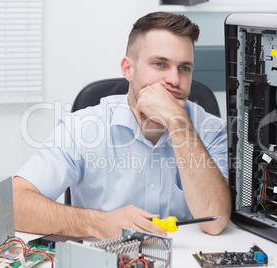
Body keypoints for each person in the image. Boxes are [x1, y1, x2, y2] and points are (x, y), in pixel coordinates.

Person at [12, 11, 231, 240]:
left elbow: (214, 221)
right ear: (128, 69)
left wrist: (177, 121)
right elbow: (11, 207)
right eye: (160, 64)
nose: (175, 79)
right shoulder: (81, 128)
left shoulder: (211, 130)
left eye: (184, 68)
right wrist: (99, 223)